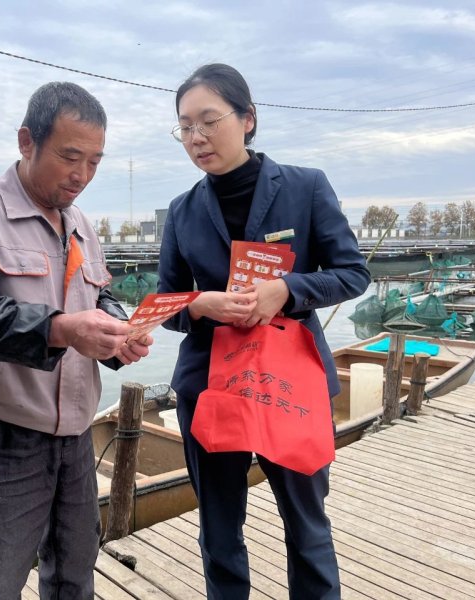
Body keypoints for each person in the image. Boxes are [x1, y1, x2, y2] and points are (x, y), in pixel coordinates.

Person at [0, 81, 153, 600]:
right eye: (70, 157)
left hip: (76, 433)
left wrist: (118, 334)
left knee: (75, 572)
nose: (82, 175)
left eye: (94, 162)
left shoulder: (82, 225)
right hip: (2, 434)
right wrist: (61, 329)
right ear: (27, 141)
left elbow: (99, 296)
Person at [158, 63, 371, 600]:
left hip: (289, 381)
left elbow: (353, 273)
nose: (196, 137)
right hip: (211, 387)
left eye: (209, 120)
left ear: (248, 119)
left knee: (307, 527)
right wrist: (200, 305)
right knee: (219, 530)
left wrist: (288, 290)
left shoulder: (305, 186)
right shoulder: (182, 211)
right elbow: (166, 303)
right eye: (185, 126)